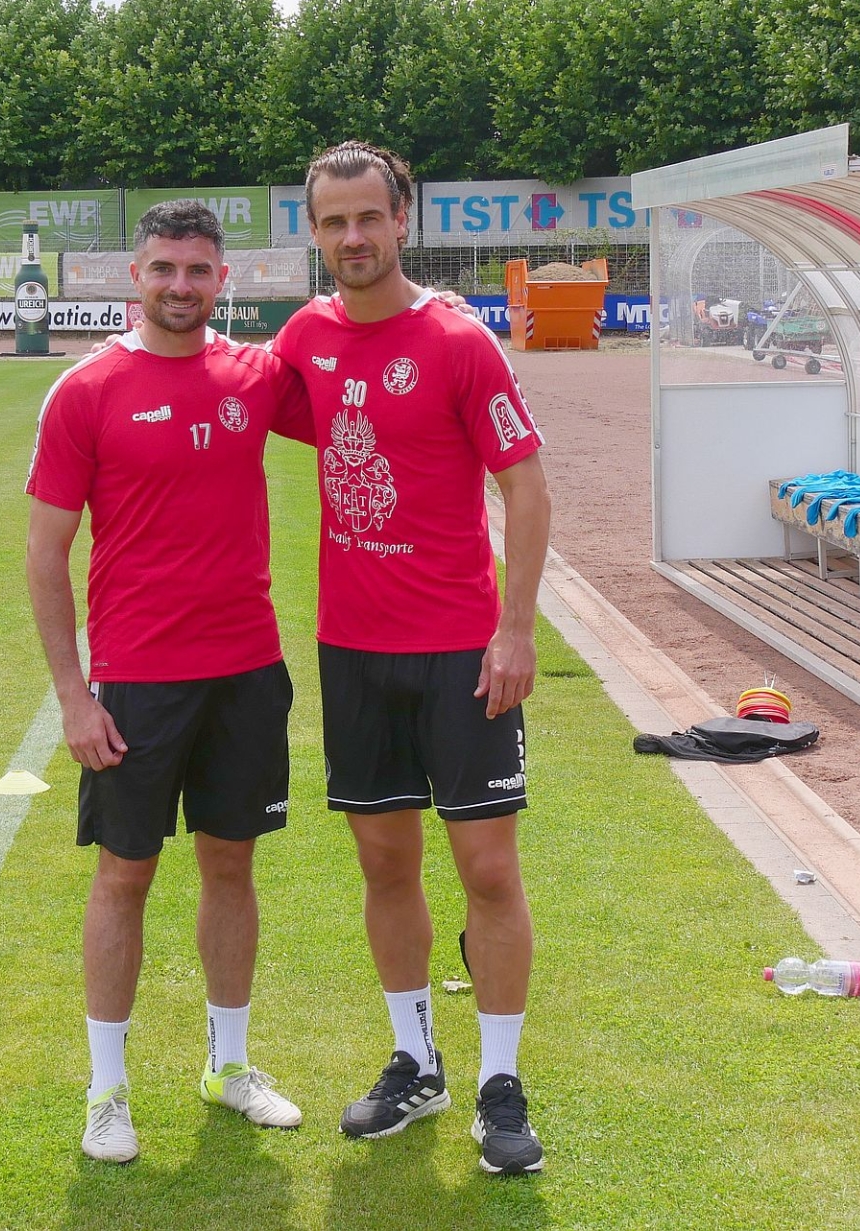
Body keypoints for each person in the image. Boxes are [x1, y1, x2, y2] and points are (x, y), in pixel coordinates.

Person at [268, 141, 552, 1177]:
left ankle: (500, 1082)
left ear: (402, 220)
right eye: (333, 221)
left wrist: (514, 629)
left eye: (368, 217)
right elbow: (230, 395)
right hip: (353, 651)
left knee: (488, 868)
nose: (353, 237)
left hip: (461, 653)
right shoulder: (304, 337)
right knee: (385, 864)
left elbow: (526, 486)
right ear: (315, 232)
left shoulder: (459, 342)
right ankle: (415, 1059)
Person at [25, 200, 309, 1165]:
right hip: (137, 681)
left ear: (222, 279)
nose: (179, 286)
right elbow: (45, 554)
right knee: (125, 874)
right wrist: (74, 695)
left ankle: (228, 1065)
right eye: (163, 268)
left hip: (247, 670)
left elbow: (353, 378)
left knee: (232, 866)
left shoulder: (253, 377)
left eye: (196, 270)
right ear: (134, 276)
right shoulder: (86, 391)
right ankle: (107, 1092)